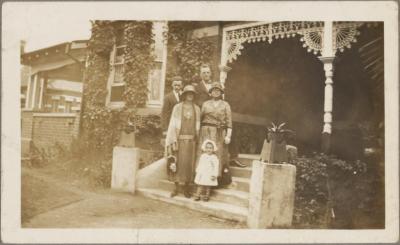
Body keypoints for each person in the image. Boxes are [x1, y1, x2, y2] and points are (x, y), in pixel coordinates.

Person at [165, 85, 201, 198]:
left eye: (192, 93)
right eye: (187, 93)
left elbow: (198, 127)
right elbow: (172, 125)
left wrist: (198, 139)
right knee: (177, 163)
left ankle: (186, 188)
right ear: (184, 95)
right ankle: (176, 187)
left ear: (194, 95)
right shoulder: (177, 107)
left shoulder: (197, 109)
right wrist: (172, 139)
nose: (190, 95)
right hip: (179, 141)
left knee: (188, 165)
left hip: (191, 142)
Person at [197, 82, 232, 178]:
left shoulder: (225, 105)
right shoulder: (205, 104)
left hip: (219, 133)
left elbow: (229, 122)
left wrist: (228, 136)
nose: (216, 92)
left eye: (218, 90)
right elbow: (199, 119)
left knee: (218, 154)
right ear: (210, 92)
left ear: (221, 93)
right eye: (214, 90)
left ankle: (216, 178)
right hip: (206, 131)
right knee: (205, 152)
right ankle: (202, 178)